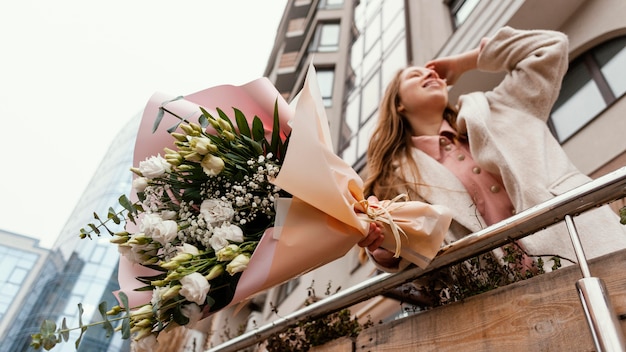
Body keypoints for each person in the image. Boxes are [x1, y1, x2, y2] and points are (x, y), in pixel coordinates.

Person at [357, 26, 626, 293]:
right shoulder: (397, 178)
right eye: (416, 75)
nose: (429, 73)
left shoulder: (500, 106)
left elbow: (551, 46)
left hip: (588, 241)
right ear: (399, 104)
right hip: (514, 294)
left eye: (432, 72)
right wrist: (384, 248)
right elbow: (420, 264)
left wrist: (467, 61)